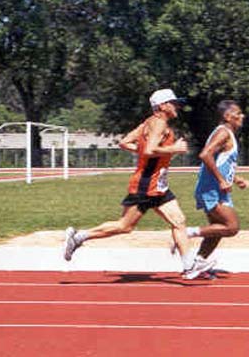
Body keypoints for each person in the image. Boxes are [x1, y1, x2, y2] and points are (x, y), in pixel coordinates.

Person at [63, 88, 198, 279]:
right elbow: (150, 150)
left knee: (179, 221)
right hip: (146, 184)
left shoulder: (147, 123)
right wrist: (173, 149)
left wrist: (145, 151)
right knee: (124, 226)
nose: (177, 106)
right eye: (173, 102)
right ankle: (78, 237)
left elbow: (125, 143)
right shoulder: (159, 123)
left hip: (158, 184)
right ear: (162, 106)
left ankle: (189, 266)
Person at [175, 100, 249, 279]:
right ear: (227, 116)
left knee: (216, 230)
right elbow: (205, 154)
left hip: (216, 188)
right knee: (231, 227)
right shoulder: (223, 132)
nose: (242, 116)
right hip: (212, 190)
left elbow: (222, 162)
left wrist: (236, 179)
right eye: (238, 113)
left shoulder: (227, 133)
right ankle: (185, 234)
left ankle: (198, 264)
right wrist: (221, 180)